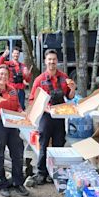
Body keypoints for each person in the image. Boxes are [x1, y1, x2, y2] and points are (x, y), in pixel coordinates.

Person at [28, 49, 76, 185]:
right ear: (45, 61)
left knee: (59, 145)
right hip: (46, 117)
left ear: (57, 61)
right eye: (49, 59)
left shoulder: (63, 77)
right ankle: (41, 173)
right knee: (43, 144)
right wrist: (44, 107)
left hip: (60, 116)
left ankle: (55, 172)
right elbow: (32, 100)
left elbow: (69, 97)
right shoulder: (39, 80)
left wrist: (72, 89)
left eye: (54, 59)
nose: (52, 62)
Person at [0, 64, 30, 197]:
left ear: (9, 78)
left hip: (12, 125)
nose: (3, 76)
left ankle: (18, 182)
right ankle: (1, 185)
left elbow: (18, 107)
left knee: (17, 154)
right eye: (1, 74)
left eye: (6, 74)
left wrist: (22, 114)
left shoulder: (13, 90)